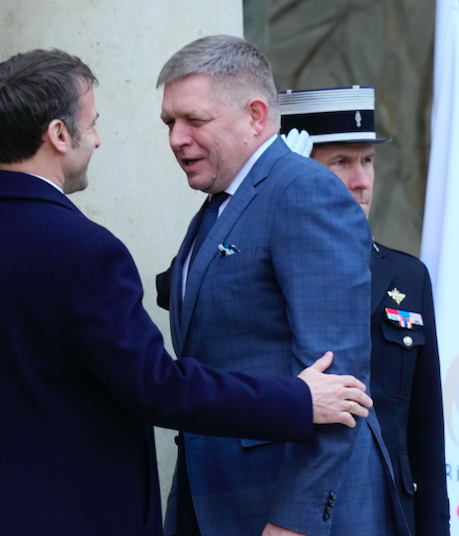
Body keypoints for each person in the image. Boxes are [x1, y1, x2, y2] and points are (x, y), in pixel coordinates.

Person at [0, 48, 375, 536]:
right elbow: (155, 386)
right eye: (93, 124)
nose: (99, 139)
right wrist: (296, 400)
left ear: (256, 115)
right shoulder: (85, 250)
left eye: (193, 120)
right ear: (59, 135)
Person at [157, 36, 396, 536]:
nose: (177, 138)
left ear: (256, 115)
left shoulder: (302, 190)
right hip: (219, 499)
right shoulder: (222, 202)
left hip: (286, 508)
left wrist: (295, 522)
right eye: (169, 123)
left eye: (194, 120)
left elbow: (339, 383)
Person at [279, 86, 450, 535]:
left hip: (384, 514)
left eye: (368, 160)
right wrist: (268, 200)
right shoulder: (261, 269)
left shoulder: (407, 276)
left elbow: (425, 433)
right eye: (341, 162)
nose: (362, 181)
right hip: (285, 511)